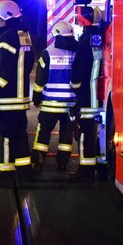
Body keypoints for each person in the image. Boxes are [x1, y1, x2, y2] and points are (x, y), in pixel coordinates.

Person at [0, 0, 33, 188]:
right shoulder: (23, 35)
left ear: (5, 18)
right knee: (19, 136)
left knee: (2, 137)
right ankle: (25, 173)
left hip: (6, 98)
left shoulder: (7, 38)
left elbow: (3, 68)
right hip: (20, 98)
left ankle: (4, 177)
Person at [32, 20, 83, 172]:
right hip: (71, 104)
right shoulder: (76, 53)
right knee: (66, 136)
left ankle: (38, 162)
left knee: (43, 133)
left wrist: (36, 96)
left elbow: (40, 78)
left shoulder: (48, 52)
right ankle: (62, 164)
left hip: (50, 103)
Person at [72, 7, 105, 179]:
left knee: (85, 131)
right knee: (101, 131)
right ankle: (102, 167)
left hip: (86, 96)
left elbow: (78, 69)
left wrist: (74, 86)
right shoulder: (102, 37)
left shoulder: (85, 42)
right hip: (102, 97)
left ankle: (85, 170)